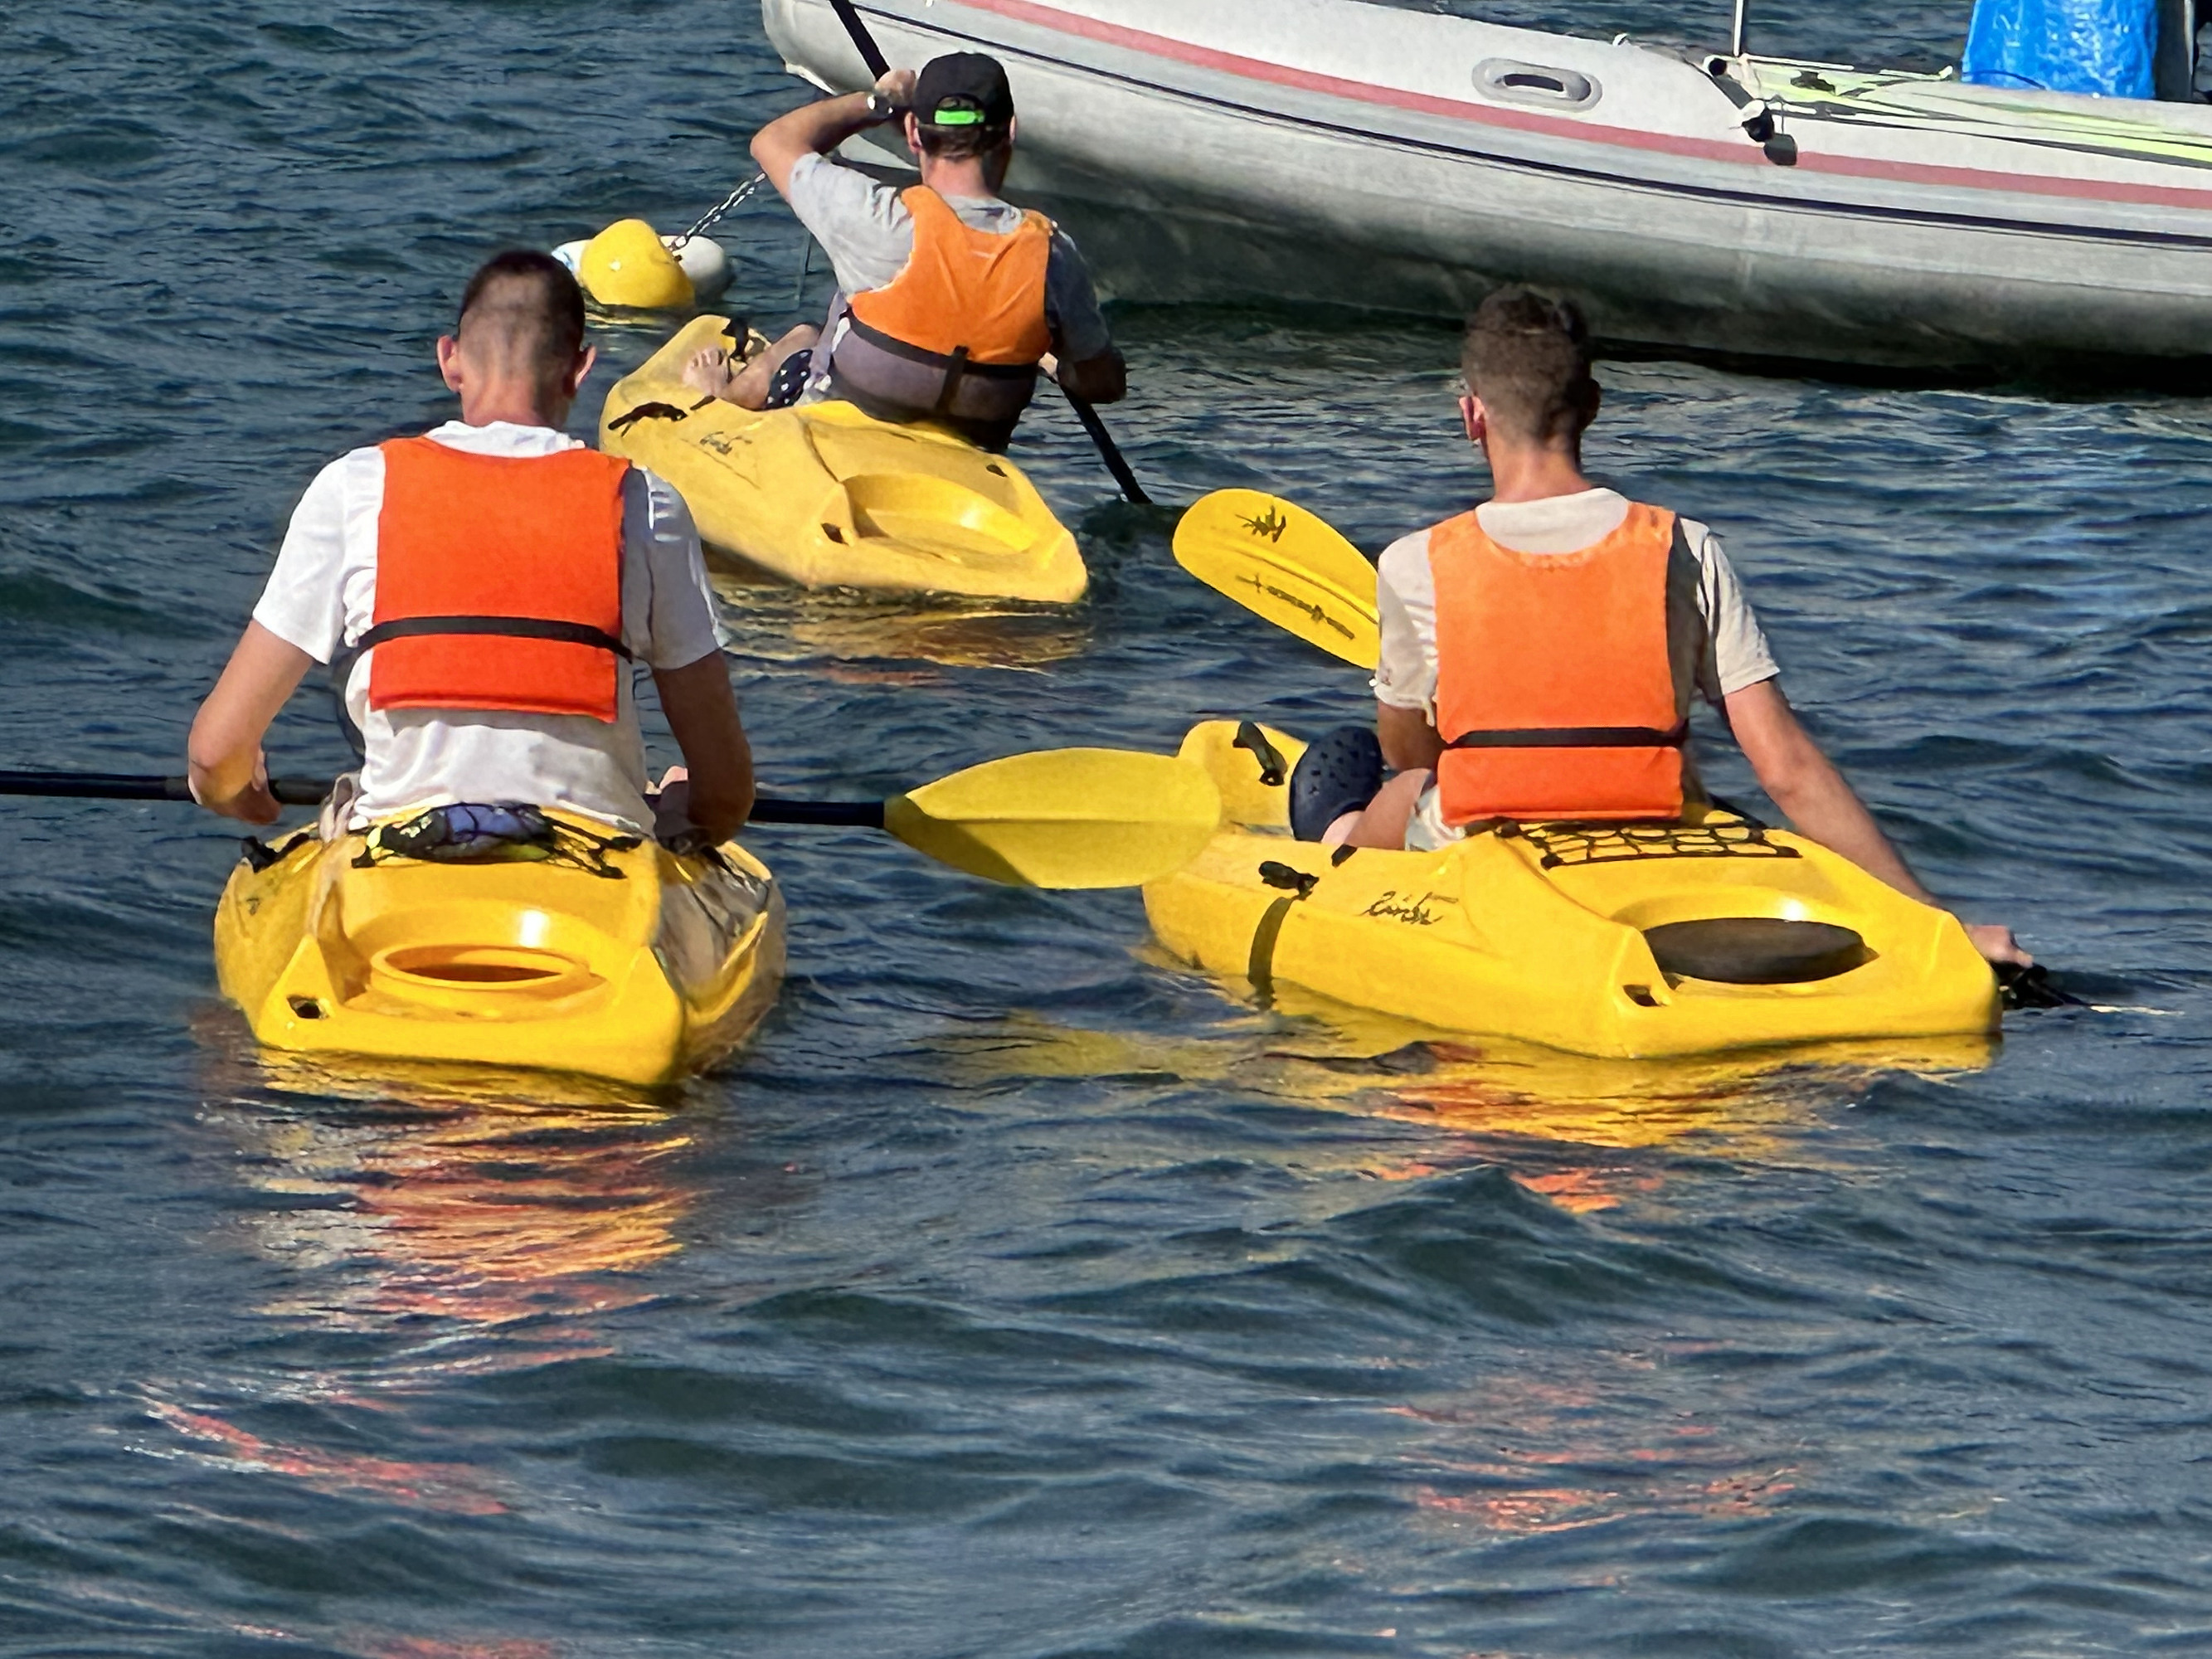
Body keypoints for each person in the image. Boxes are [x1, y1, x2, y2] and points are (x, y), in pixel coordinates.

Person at [1300, 287, 2029, 968]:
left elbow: (1408, 749)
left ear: (1472, 416)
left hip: (1485, 837)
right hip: (1657, 827)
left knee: (1408, 785)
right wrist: (1940, 925)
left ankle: (1333, 836)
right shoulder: (1684, 546)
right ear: (1591, 406)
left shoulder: (1416, 561)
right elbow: (1786, 768)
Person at [188, 250, 754, 851]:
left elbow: (215, 754)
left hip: (401, 852)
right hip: (592, 857)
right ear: (580, 369)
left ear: (449, 361)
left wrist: (232, 789)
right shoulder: (645, 502)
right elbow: (725, 795)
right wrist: (681, 808)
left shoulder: (355, 487)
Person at [699, 50, 1125, 451]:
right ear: (1010, 131)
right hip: (969, 451)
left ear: (913, 134)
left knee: (800, 340)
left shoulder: (879, 217)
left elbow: (773, 142)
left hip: (840, 438)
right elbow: (1104, 384)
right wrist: (1055, 364)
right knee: (807, 336)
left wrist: (880, 102)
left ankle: (717, 402)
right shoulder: (1052, 254)